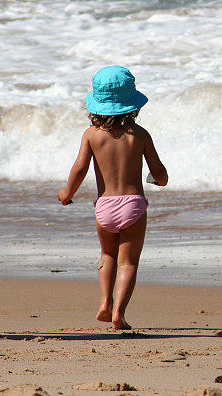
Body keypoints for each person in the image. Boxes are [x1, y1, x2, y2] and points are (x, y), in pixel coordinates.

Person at [57, 65, 168, 330]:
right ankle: (119, 312)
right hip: (133, 206)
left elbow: (80, 168)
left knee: (107, 255)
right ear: (133, 104)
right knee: (128, 261)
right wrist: (157, 180)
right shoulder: (139, 135)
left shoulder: (91, 135)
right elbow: (160, 174)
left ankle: (105, 302)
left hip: (104, 206)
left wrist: (66, 193)